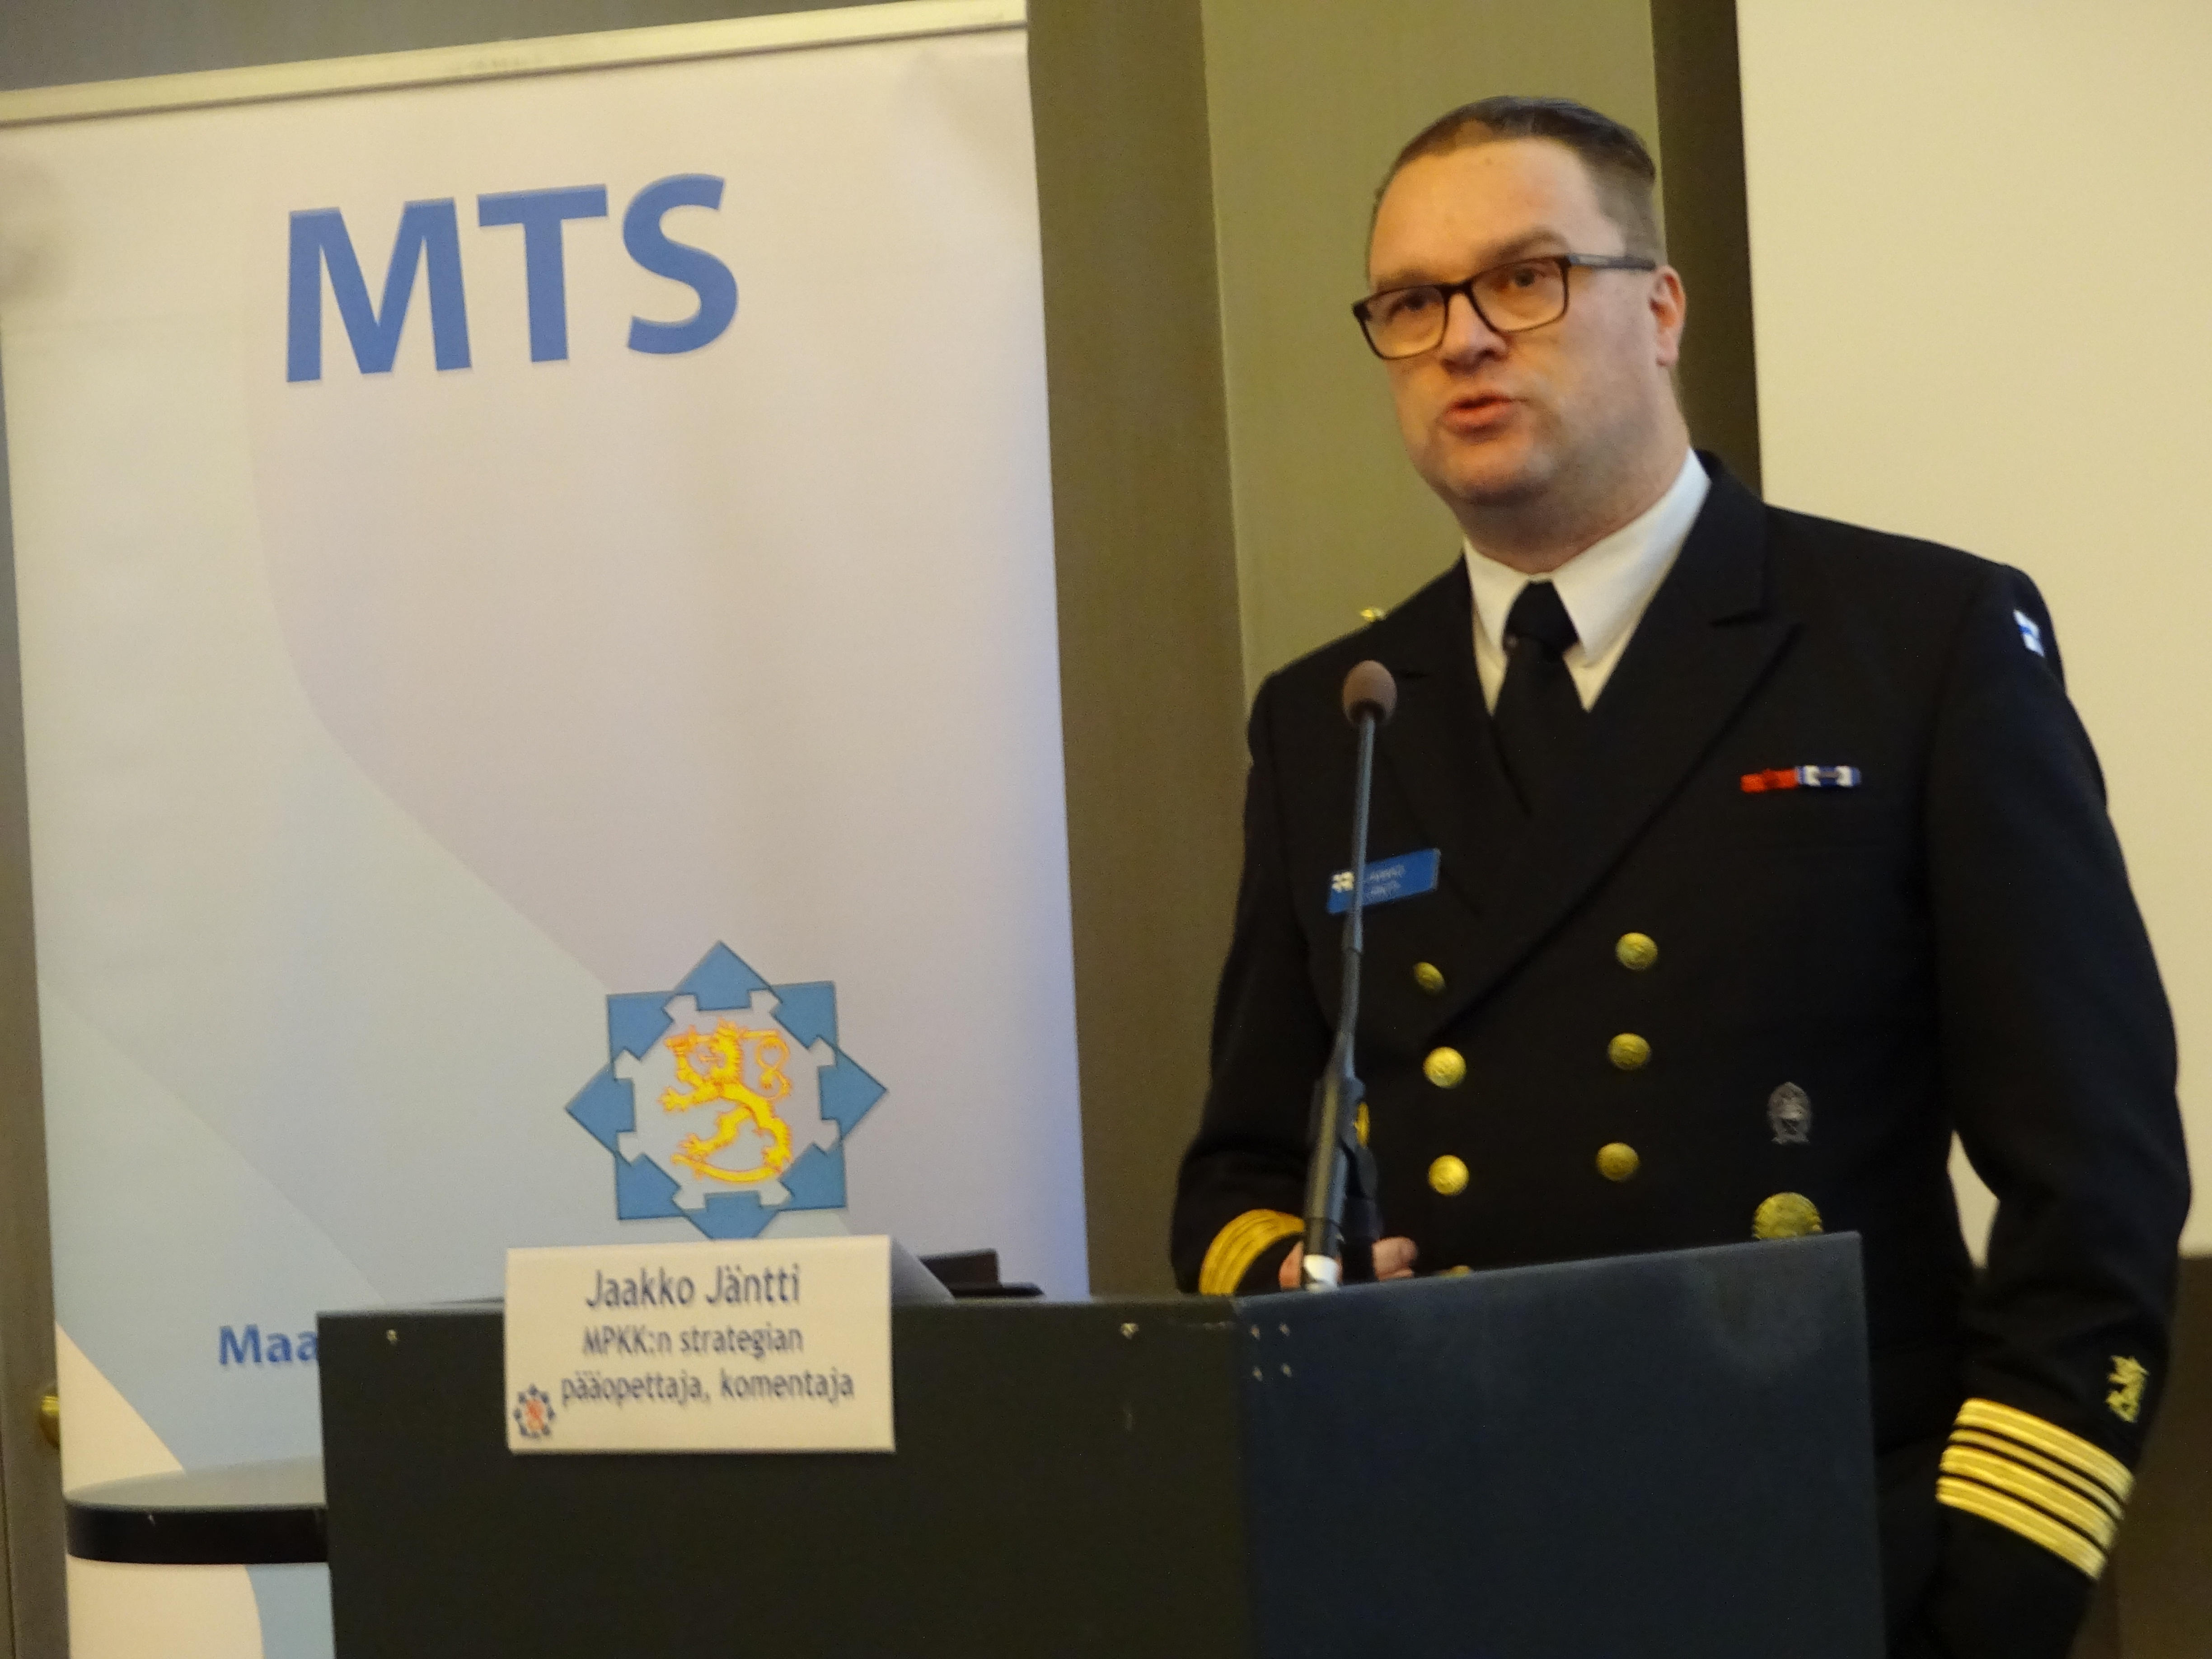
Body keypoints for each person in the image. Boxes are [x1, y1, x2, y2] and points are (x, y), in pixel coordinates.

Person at [1169, 96, 2190, 1659]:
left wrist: (1996, 1574)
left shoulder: (1915, 642)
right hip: (1440, 1557)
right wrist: (1305, 1275)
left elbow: (2095, 1171)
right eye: (1412, 303)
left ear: (1659, 310)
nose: (1463, 339)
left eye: (1525, 279)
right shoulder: (1337, 716)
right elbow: (1236, 1174)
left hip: (1825, 1551)